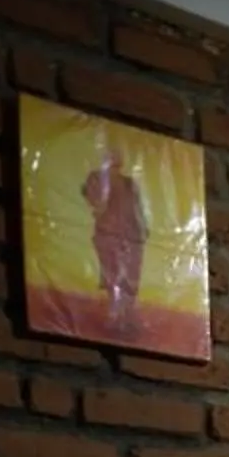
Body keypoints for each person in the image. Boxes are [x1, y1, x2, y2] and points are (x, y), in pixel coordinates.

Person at [83, 143, 146, 334]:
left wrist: (143, 230)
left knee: (130, 278)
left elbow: (138, 210)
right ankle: (114, 318)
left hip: (132, 237)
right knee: (113, 276)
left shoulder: (129, 183)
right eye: (113, 155)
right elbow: (95, 202)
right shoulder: (97, 178)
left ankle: (127, 318)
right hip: (108, 234)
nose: (117, 158)